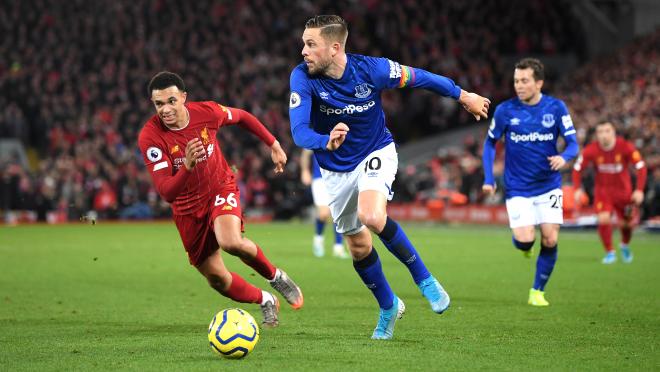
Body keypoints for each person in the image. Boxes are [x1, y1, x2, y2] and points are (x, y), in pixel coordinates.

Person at [289, 15, 490, 340]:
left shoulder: (372, 70)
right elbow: (299, 132)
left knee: (372, 215)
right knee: (357, 245)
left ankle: (424, 279)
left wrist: (462, 94)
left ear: (335, 47)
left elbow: (419, 77)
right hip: (334, 169)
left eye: (311, 44)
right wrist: (325, 141)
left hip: (376, 152)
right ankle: (388, 306)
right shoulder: (302, 77)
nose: (303, 51)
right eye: (304, 43)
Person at [138, 71, 303, 327]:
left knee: (231, 242)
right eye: (159, 104)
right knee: (217, 279)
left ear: (183, 97)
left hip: (219, 188)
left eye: (171, 101)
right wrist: (188, 167)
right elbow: (167, 192)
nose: (166, 109)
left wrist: (273, 143)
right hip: (187, 210)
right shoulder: (151, 136)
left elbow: (243, 117)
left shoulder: (207, 112)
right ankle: (265, 299)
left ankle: (275, 276)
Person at [482, 58, 579, 307]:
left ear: (539, 83)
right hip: (517, 187)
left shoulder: (556, 108)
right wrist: (489, 178)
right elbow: (490, 143)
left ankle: (537, 291)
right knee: (525, 239)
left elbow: (573, 144)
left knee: (550, 238)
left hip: (548, 184)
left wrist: (564, 157)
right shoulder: (505, 110)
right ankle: (525, 245)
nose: (519, 85)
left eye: (524, 81)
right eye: (516, 81)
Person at [572, 121, 647, 264]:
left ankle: (624, 244)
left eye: (607, 131)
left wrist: (639, 190)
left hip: (624, 193)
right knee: (603, 219)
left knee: (626, 224)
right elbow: (577, 169)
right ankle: (610, 252)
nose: (604, 135)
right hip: (603, 192)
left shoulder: (625, 147)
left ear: (613, 132)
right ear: (597, 135)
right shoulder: (591, 150)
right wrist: (576, 189)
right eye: (600, 132)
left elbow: (641, 167)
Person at [300, 149, 349, 258]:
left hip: (339, 177)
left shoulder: (342, 132)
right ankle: (318, 240)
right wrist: (304, 171)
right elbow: (306, 152)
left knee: (338, 213)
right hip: (320, 178)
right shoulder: (318, 132)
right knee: (324, 214)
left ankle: (338, 247)